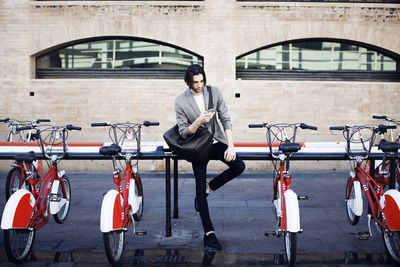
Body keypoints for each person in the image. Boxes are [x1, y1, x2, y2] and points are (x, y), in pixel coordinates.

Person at [175, 64, 246, 251]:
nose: (200, 85)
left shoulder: (214, 92)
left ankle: (210, 186)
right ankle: (209, 234)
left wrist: (231, 146)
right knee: (199, 193)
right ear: (188, 82)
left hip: (217, 142)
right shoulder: (181, 101)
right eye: (195, 82)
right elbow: (183, 133)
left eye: (202, 81)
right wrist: (199, 120)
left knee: (238, 166)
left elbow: (225, 118)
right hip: (198, 148)